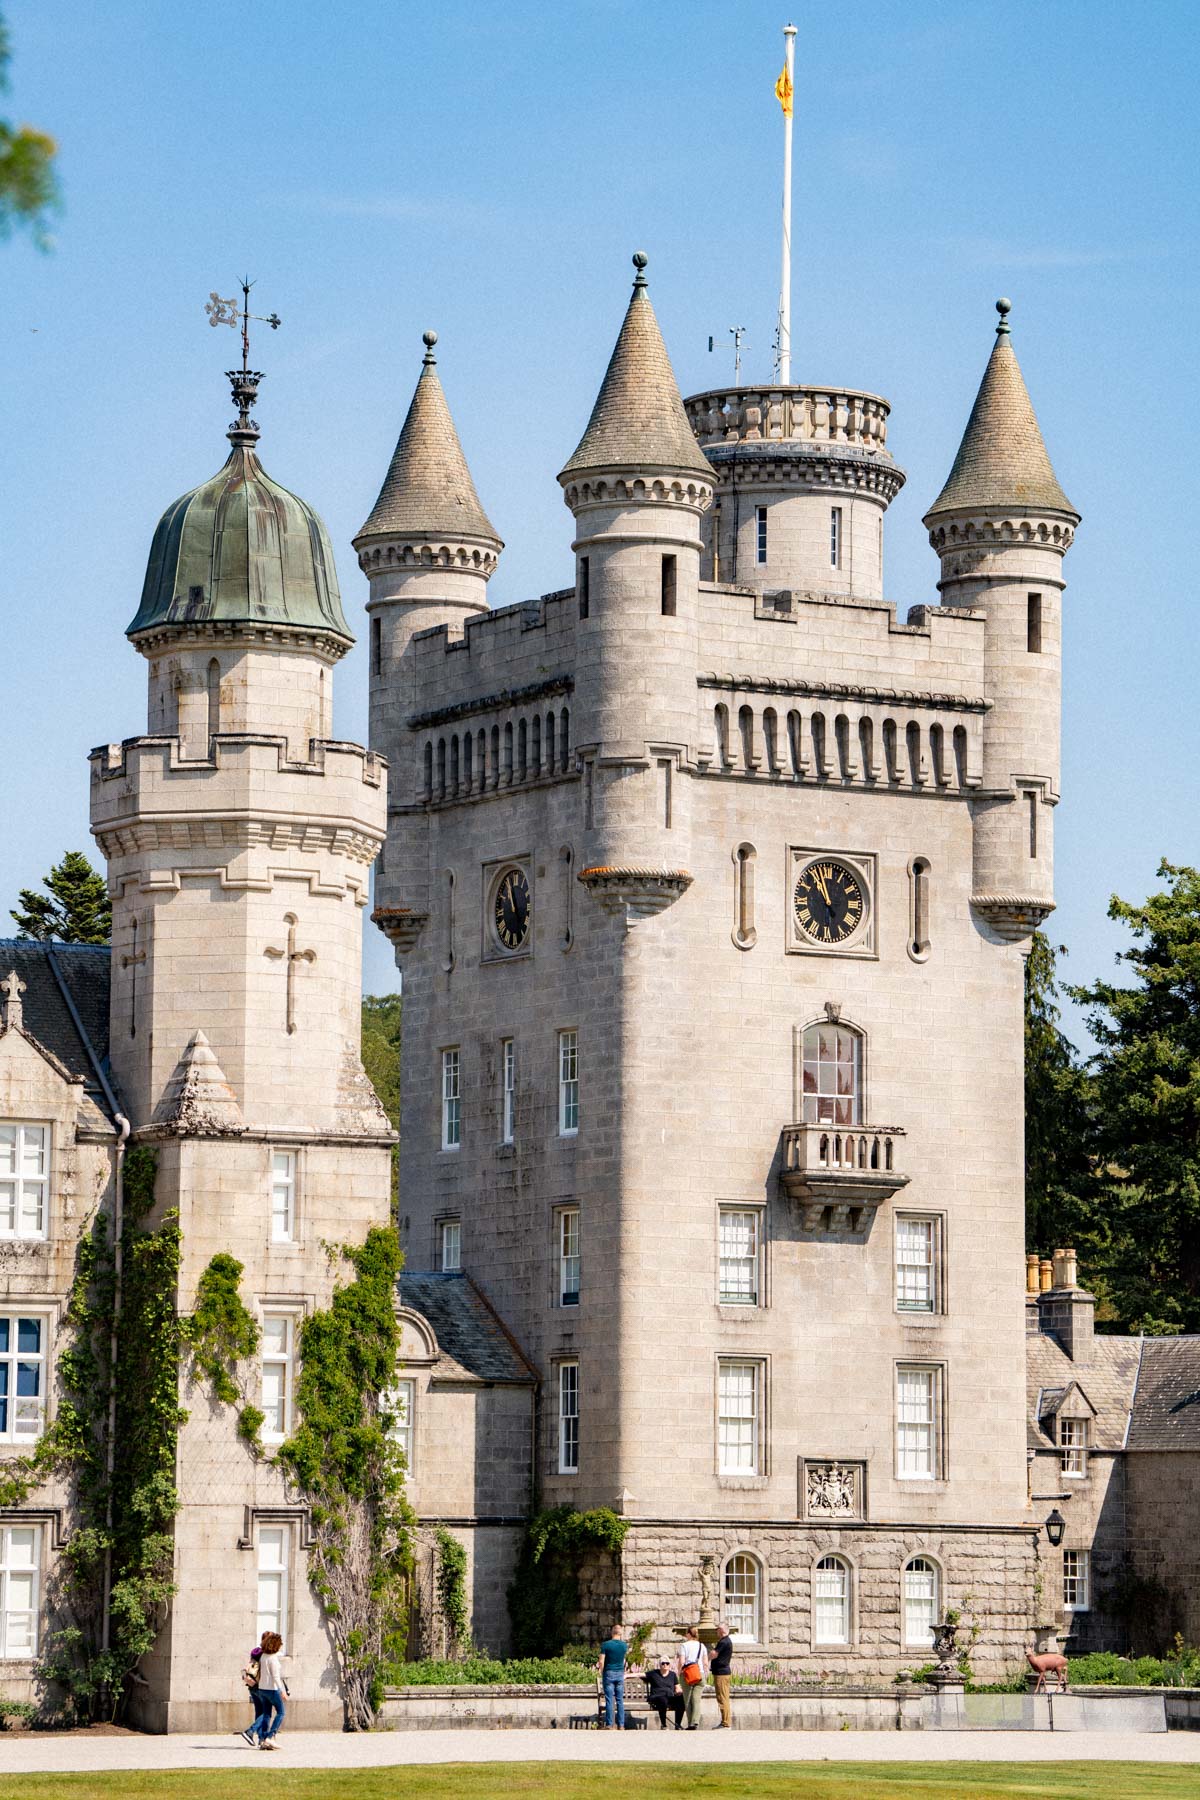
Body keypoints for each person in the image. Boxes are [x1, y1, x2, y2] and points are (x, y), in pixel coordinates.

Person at [256, 1630, 288, 1748]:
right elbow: (276, 1677)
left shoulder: (263, 1656)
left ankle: (263, 1739)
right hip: (272, 1689)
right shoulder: (273, 1658)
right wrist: (282, 1692)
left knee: (267, 1714)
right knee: (281, 1712)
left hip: (262, 1688)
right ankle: (270, 1736)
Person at [675, 1626, 710, 1731]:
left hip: (688, 1674)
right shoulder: (701, 1645)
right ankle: (695, 1722)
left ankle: (691, 1723)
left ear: (689, 1634)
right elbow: (705, 1662)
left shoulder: (684, 1645)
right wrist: (705, 1673)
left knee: (688, 1699)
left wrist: (679, 1671)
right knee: (696, 1699)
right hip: (700, 1674)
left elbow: (681, 1661)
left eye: (686, 1633)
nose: (686, 1635)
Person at [596, 1625, 628, 1730]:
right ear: (620, 1633)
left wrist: (602, 1671)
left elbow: (601, 1661)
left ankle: (610, 1724)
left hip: (609, 1672)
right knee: (619, 1700)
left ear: (612, 1632)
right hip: (620, 1673)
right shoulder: (624, 1646)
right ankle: (621, 1725)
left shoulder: (606, 1645)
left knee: (609, 1700)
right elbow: (623, 1660)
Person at [643, 1657, 685, 1730]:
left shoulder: (673, 1674)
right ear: (660, 1665)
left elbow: (677, 1687)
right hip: (656, 1697)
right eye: (663, 1663)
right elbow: (639, 1674)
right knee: (663, 1699)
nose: (665, 1665)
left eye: (667, 1663)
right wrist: (626, 1675)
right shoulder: (653, 1673)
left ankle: (678, 1724)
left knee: (681, 1699)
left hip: (669, 1697)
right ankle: (664, 1725)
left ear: (669, 1665)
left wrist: (680, 1691)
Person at [239, 1645, 266, 1746]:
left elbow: (244, 1675)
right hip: (260, 1689)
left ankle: (261, 1738)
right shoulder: (261, 1663)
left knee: (259, 1713)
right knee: (266, 1713)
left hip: (251, 1689)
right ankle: (250, 1732)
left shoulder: (251, 1663)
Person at [710, 1620, 734, 1729]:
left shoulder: (724, 1642)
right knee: (723, 1697)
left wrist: (707, 1658)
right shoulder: (725, 1641)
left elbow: (714, 1654)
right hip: (721, 1672)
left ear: (721, 1630)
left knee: (722, 1697)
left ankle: (726, 1722)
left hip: (721, 1673)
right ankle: (725, 1721)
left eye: (717, 1630)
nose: (716, 1632)